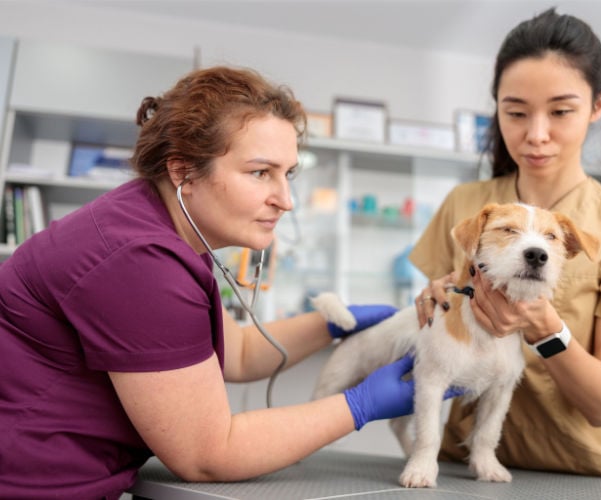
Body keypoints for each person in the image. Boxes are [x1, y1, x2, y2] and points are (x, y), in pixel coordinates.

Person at [0, 66, 458, 499]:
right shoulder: (141, 262)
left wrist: (335, 325)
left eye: (288, 174)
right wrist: (360, 405)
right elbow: (207, 455)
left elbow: (234, 352)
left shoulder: (158, 230)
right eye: (261, 172)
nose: (286, 200)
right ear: (182, 172)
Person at [411, 8, 601, 480]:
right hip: (456, 467)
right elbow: (437, 310)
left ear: (598, 105)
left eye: (560, 111)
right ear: (496, 107)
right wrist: (429, 306)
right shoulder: (464, 206)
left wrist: (546, 330)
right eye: (515, 112)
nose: (536, 134)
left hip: (576, 470)